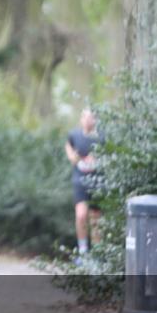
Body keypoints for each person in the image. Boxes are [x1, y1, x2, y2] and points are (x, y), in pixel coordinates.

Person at [65, 108, 103, 259]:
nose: (88, 120)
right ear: (81, 119)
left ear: (95, 120)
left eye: (91, 118)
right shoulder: (74, 135)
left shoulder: (102, 137)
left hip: (98, 181)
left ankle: (97, 255)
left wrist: (97, 159)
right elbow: (68, 148)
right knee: (81, 215)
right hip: (80, 180)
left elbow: (108, 155)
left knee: (96, 219)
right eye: (86, 117)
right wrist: (74, 157)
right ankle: (82, 251)